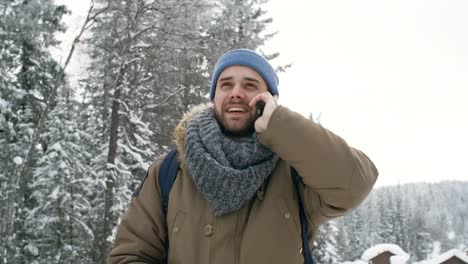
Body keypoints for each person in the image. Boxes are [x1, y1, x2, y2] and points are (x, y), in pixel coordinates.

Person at [107, 49, 378, 264]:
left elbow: (354, 185)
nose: (236, 92)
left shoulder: (295, 170)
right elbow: (130, 256)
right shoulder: (168, 172)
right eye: (226, 85)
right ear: (214, 97)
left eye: (250, 85)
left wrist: (281, 125)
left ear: (270, 99)